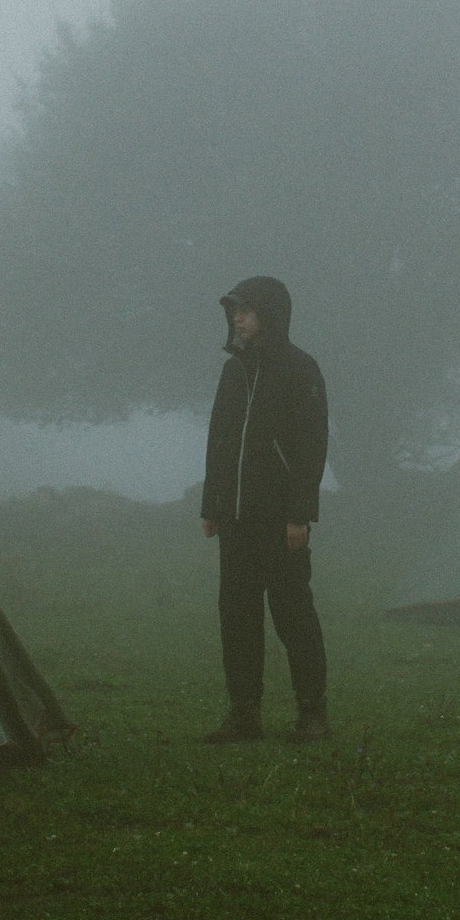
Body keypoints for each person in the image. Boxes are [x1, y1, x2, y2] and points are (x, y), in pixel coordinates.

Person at [198, 275, 330, 743]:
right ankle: (243, 715)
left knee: (294, 616)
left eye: (247, 310)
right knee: (237, 618)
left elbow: (311, 448)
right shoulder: (234, 372)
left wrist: (300, 514)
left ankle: (312, 714)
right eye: (235, 310)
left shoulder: (301, 369)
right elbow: (219, 440)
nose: (238, 318)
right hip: (235, 521)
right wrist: (211, 504)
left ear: (269, 316)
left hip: (281, 523)